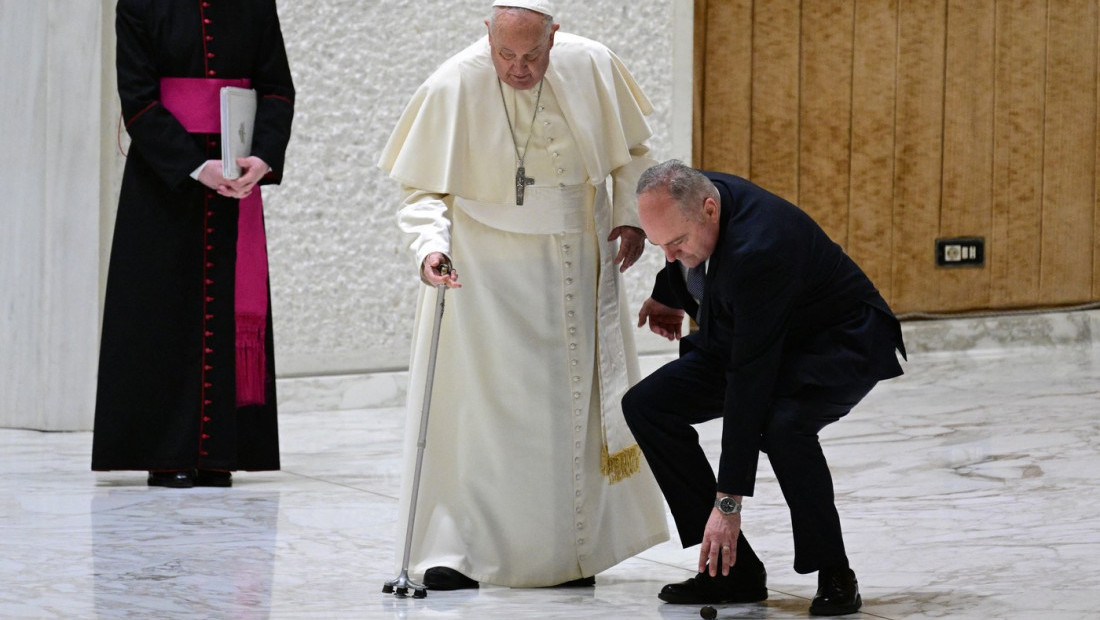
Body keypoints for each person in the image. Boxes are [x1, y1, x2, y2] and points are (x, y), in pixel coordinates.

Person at [378, 0, 668, 590]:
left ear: (554, 36)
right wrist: (430, 248)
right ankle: (458, 549)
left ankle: (570, 553)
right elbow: (421, 192)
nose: (517, 68)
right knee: (484, 413)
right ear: (487, 35)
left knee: (570, 412)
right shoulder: (452, 83)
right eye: (504, 54)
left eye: (531, 54)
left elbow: (632, 154)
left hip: (578, 259)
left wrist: (634, 217)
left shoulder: (591, 65)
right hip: (486, 274)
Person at [622, 161, 906, 616]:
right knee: (647, 405)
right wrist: (667, 293)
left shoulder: (760, 250)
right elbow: (690, 257)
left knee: (783, 427)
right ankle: (731, 573)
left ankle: (835, 571)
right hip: (760, 329)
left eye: (675, 244)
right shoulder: (695, 195)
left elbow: (748, 381)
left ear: (710, 209)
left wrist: (728, 503)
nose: (671, 255)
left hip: (837, 340)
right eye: (661, 246)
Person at [92, 0, 295, 489]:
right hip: (164, 179)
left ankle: (220, 451)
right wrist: (194, 166)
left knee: (226, 308)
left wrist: (262, 159)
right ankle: (165, 452)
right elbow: (138, 99)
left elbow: (278, 90)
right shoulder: (139, 4)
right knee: (161, 311)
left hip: (236, 172)